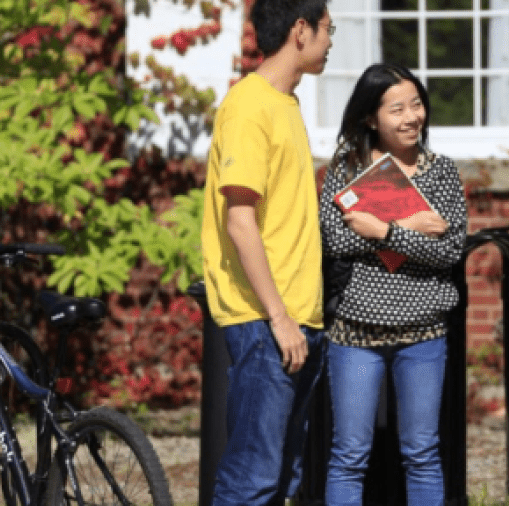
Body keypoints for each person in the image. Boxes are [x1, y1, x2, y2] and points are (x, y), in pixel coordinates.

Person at [199, 0, 333, 504]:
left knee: (283, 479)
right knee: (251, 480)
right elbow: (240, 221)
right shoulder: (249, 107)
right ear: (301, 30)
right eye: (327, 28)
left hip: (297, 319)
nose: (331, 38)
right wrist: (279, 318)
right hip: (265, 322)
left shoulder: (285, 103)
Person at [319, 63, 467, 506]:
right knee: (349, 454)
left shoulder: (441, 172)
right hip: (354, 334)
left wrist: (381, 229)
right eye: (397, 109)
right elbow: (336, 239)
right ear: (370, 117)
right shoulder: (343, 171)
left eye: (416, 104)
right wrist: (408, 224)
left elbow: (449, 249)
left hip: (423, 333)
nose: (411, 117)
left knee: (422, 454)